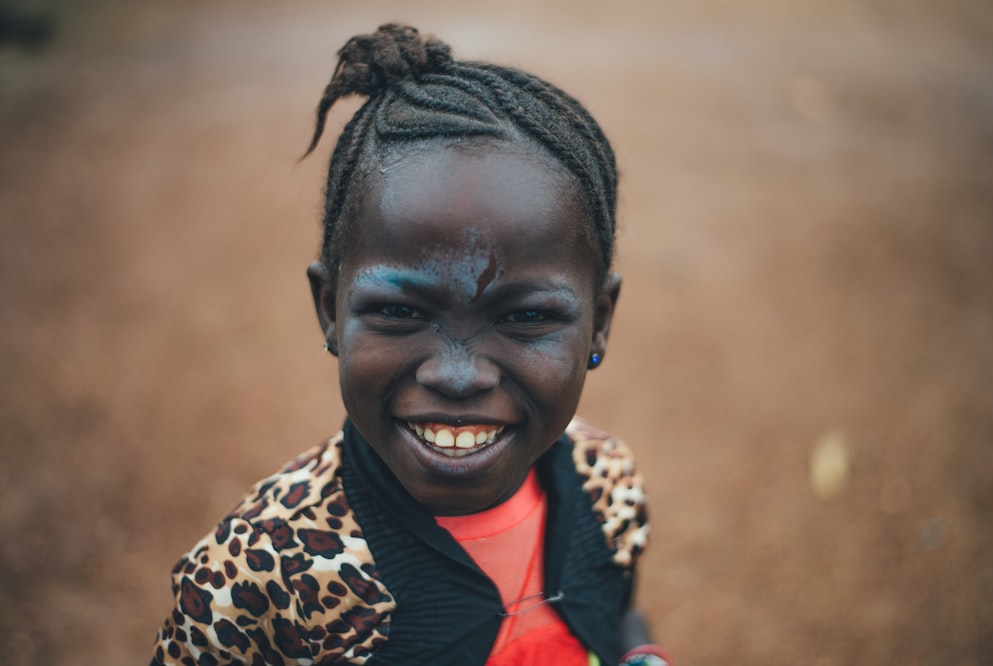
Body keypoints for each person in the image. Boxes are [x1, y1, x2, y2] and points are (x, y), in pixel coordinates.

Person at [151, 23, 670, 666]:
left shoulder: (606, 483)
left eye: (526, 318)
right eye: (399, 311)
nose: (457, 375)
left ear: (599, 322)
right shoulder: (257, 580)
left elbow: (617, 610)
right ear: (330, 311)